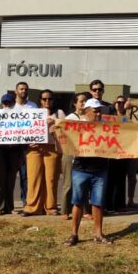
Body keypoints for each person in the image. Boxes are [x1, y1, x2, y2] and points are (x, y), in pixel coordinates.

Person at [63, 98, 114, 246]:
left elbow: (123, 137)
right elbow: (65, 142)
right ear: (87, 111)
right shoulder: (77, 126)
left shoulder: (107, 126)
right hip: (81, 169)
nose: (98, 114)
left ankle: (98, 234)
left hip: (100, 170)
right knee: (78, 202)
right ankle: (74, 234)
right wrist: (55, 132)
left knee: (98, 203)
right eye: (95, 111)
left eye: (100, 111)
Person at [22, 89, 63, 216]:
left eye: (50, 99)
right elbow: (23, 130)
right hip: (34, 149)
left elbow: (66, 132)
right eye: (44, 99)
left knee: (51, 179)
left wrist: (55, 126)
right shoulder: (33, 113)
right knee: (33, 178)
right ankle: (32, 207)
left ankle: (51, 207)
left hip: (52, 148)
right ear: (40, 100)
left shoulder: (59, 113)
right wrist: (27, 141)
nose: (47, 101)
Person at [0, 91, 24, 215]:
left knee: (10, 180)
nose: (7, 105)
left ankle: (9, 207)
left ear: (14, 103)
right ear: (2, 104)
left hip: (14, 150)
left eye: (10, 102)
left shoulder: (19, 116)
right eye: (5, 103)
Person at [59, 92, 90, 221]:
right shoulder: (70, 118)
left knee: (85, 183)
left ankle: (85, 210)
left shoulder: (90, 117)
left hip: (85, 154)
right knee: (69, 184)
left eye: (85, 101)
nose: (83, 103)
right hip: (70, 153)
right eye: (81, 101)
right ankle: (65, 210)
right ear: (75, 103)